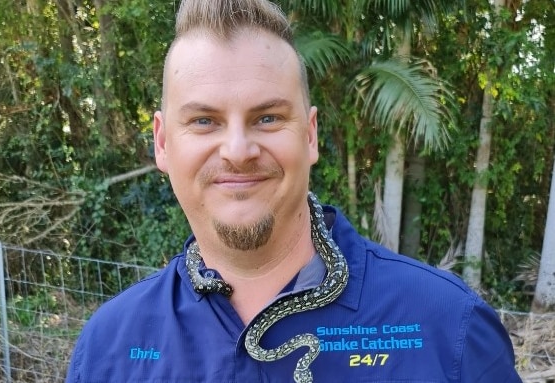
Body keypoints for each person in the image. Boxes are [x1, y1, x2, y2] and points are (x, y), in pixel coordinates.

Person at [65, 0, 523, 382]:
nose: (238, 151)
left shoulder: (448, 328)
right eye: (204, 121)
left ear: (310, 135)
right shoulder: (110, 347)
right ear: (163, 143)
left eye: (268, 118)